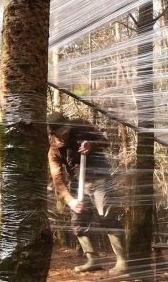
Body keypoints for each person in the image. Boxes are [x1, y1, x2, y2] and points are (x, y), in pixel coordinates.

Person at [47, 112, 127, 275]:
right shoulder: (53, 150)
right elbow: (57, 178)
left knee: (107, 216)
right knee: (78, 221)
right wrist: (70, 201)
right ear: (53, 133)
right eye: (60, 132)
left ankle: (123, 262)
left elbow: (104, 141)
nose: (65, 134)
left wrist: (91, 144)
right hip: (78, 183)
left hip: (99, 178)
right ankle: (92, 259)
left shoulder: (81, 125)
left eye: (66, 130)